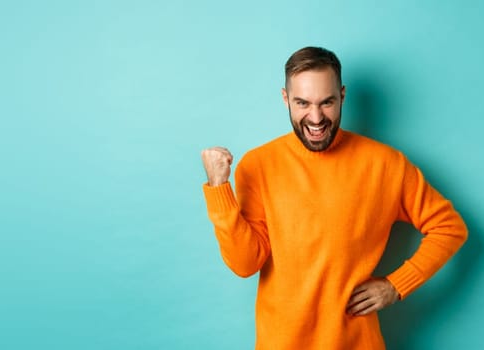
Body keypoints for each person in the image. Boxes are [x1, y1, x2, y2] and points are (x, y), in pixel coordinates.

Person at [200, 46, 468, 349]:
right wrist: (219, 188)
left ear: (342, 96)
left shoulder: (386, 164)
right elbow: (245, 264)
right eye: (302, 103)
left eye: (326, 102)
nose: (316, 118)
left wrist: (396, 285)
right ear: (285, 99)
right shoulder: (258, 164)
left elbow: (449, 227)